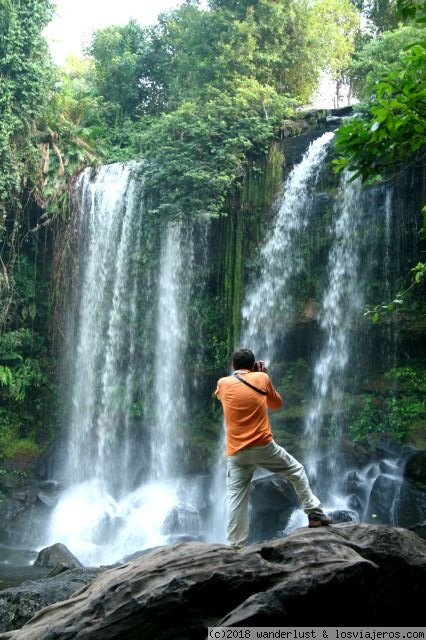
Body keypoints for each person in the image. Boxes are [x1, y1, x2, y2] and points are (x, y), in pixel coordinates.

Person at [215, 347, 331, 549]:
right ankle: (314, 513)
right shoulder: (261, 378)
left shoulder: (223, 384)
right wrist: (265, 375)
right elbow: (276, 405)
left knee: (236, 497)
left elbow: (220, 396)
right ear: (253, 366)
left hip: (236, 453)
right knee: (296, 470)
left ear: (233, 366)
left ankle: (235, 545)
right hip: (263, 447)